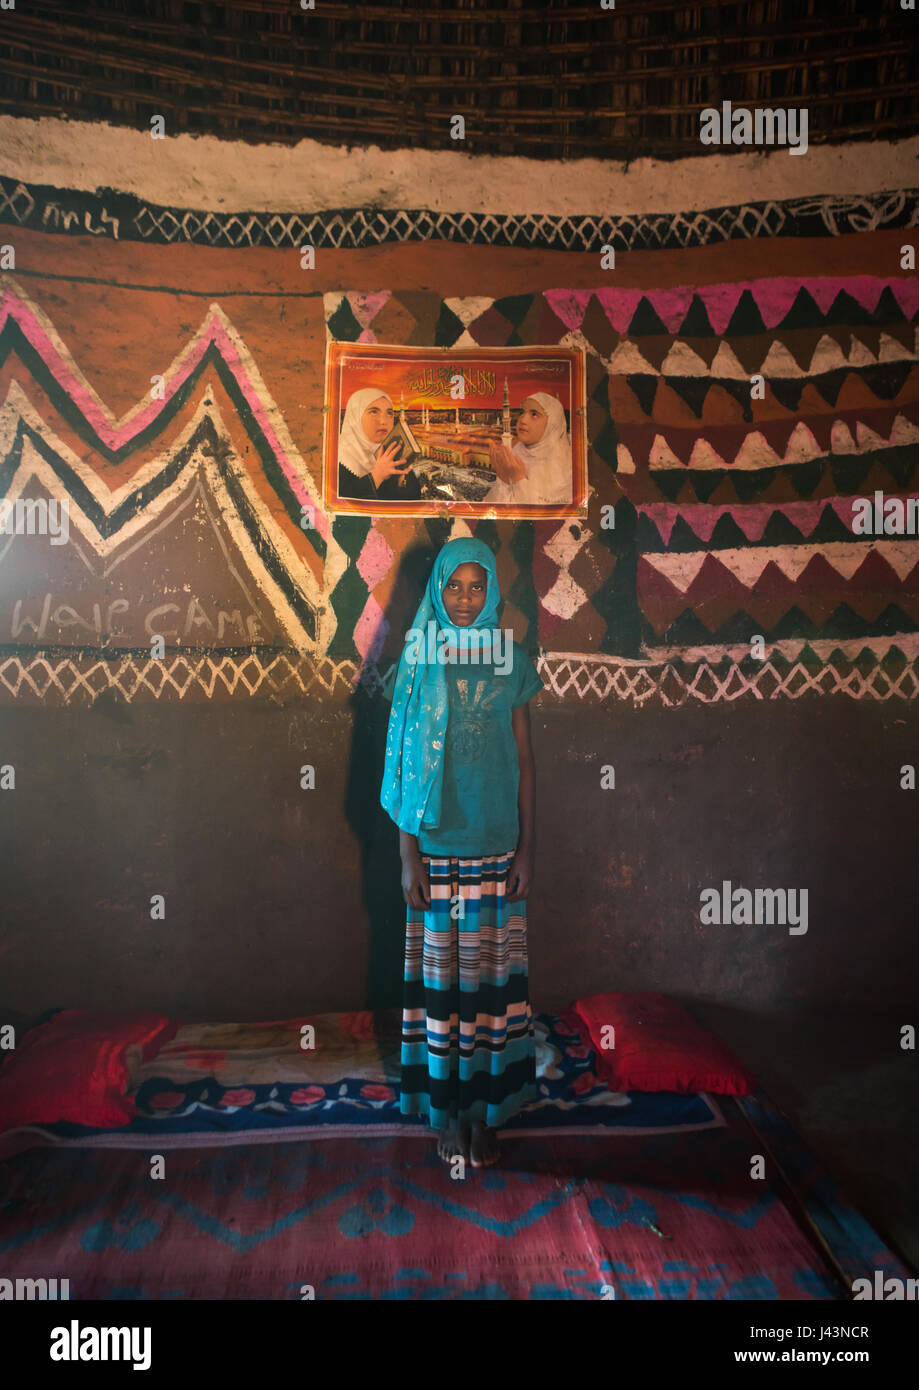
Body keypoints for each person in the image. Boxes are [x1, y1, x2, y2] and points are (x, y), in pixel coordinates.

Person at [380, 537, 543, 1168]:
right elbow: (401, 768)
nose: (467, 600)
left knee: (488, 994)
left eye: (479, 587)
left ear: (493, 592)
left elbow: (527, 762)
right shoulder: (420, 660)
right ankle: (447, 1112)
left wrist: (528, 851)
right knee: (445, 995)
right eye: (455, 587)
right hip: (438, 852)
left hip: (496, 851)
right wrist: (408, 857)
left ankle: (484, 1113)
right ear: (438, 592)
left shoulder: (511, 659)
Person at [483, 392, 572, 506]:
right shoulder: (517, 453)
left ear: (552, 424)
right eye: (522, 412)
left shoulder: (564, 466)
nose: (522, 419)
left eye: (534, 414)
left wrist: (518, 481)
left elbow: (546, 516)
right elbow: (493, 510)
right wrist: (503, 479)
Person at [337, 387, 421, 501]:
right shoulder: (338, 460)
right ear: (355, 417)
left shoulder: (391, 453)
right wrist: (376, 476)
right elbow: (341, 509)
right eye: (374, 412)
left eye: (389, 413)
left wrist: (402, 480)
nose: (383, 421)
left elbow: (411, 505)